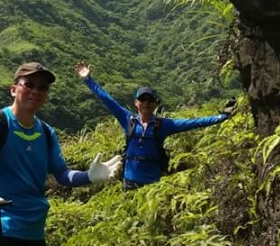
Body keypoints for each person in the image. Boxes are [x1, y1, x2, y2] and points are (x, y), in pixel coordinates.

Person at [0, 62, 122, 246]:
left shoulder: (46, 132)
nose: (35, 91)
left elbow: (62, 174)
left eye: (42, 88)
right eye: (28, 85)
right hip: (2, 226)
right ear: (13, 89)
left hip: (34, 231)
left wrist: (89, 177)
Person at [74, 62, 235, 190]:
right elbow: (107, 99)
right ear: (136, 103)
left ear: (155, 104)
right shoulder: (128, 119)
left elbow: (195, 123)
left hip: (153, 186)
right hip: (129, 183)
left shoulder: (163, 125)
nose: (146, 103)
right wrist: (88, 79)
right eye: (142, 99)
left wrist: (222, 117)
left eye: (150, 100)